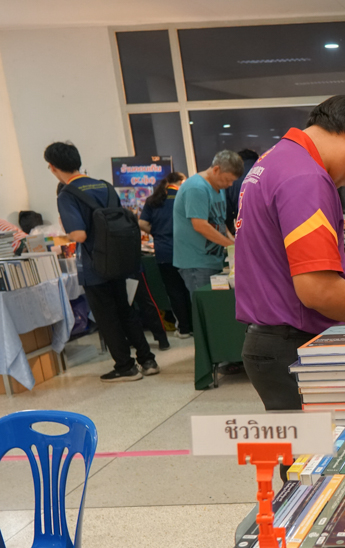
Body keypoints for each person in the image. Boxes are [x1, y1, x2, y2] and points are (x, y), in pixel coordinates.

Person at [235, 94, 345, 411]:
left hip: (271, 339)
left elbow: (283, 266)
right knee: (322, 443)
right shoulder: (306, 177)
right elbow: (317, 290)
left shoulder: (274, 161)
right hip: (293, 344)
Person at [46, 141, 158, 382]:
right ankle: (148, 360)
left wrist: (65, 230)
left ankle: (125, 366)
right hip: (121, 260)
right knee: (127, 311)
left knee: (107, 317)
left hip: (95, 267)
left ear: (53, 166)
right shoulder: (105, 186)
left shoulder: (67, 194)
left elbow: (79, 235)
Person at [173, 150, 242, 294]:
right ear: (216, 169)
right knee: (206, 302)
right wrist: (231, 245)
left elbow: (220, 222)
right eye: (227, 179)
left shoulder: (218, 187)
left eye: (232, 181)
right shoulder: (196, 188)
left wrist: (233, 242)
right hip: (197, 262)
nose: (230, 184)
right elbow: (200, 226)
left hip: (213, 259)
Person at [140, 172, 193, 339]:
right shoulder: (184, 197)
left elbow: (141, 223)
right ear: (181, 182)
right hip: (185, 250)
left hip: (164, 252)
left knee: (174, 291)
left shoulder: (153, 200)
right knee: (189, 289)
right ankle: (195, 326)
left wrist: (156, 233)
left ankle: (184, 329)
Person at [225, 149, 259, 235]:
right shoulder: (264, 172)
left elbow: (227, 211)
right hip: (268, 225)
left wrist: (233, 232)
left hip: (245, 228)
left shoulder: (230, 178)